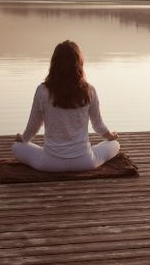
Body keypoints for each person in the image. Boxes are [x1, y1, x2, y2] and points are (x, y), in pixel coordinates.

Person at [12, 40, 120, 172]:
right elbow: (98, 126)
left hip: (50, 163)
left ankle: (45, 152)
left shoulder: (42, 90)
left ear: (54, 64)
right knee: (115, 144)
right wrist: (111, 136)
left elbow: (34, 125)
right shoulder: (89, 90)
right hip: (85, 162)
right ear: (79, 64)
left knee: (16, 147)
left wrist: (23, 139)